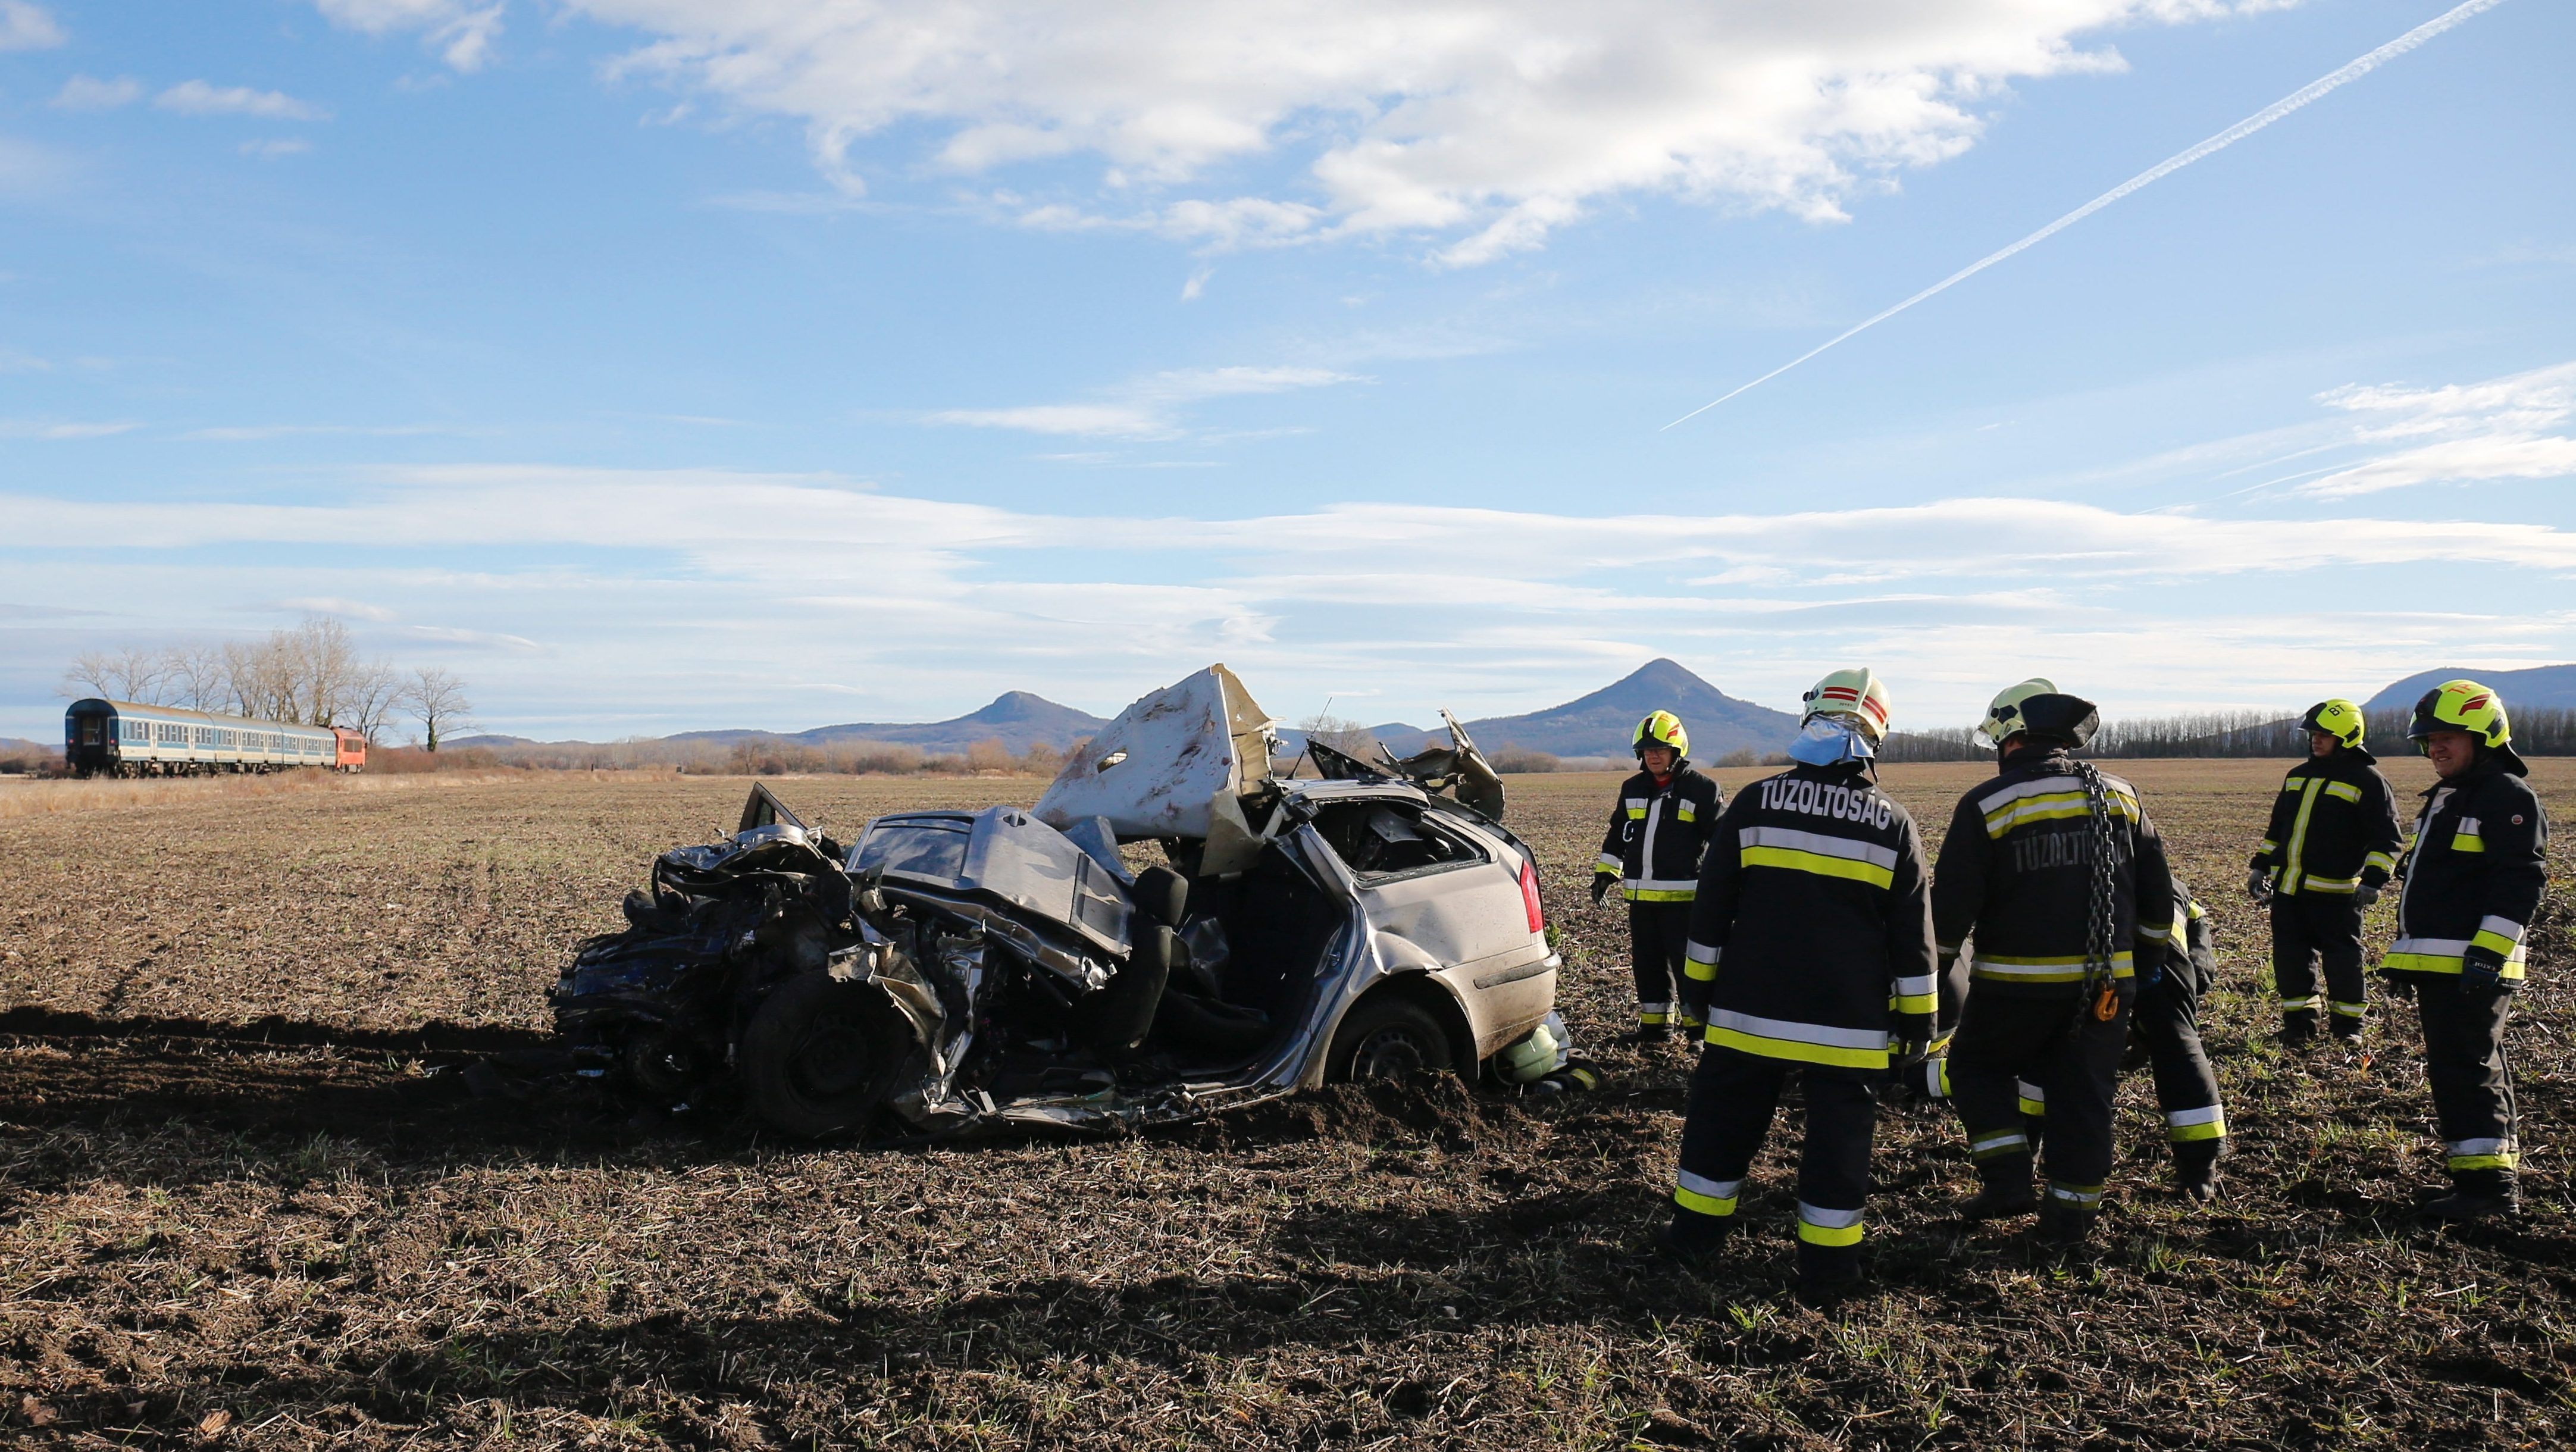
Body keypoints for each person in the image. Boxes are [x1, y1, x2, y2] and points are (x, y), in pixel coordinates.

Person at [1661, 669, 1935, 1305]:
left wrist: (1697, 997)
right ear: (1878, 735)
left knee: (1720, 1127)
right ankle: (1830, 1274)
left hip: (1747, 1014)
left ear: (1810, 718)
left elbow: (1710, 914)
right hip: (1850, 1026)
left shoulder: (1755, 804)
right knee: (1839, 1148)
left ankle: (1693, 1242)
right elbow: (1913, 942)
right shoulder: (1893, 826)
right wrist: (1917, 1028)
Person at [1933, 678, 2174, 1248]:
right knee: (2083, 1096)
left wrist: (1933, 970)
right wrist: (2148, 965)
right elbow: (2156, 895)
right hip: (2105, 988)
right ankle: (2069, 1222)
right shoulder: (2121, 795)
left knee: (1974, 1068)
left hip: (2012, 987)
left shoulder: (1987, 803)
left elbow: (1950, 910)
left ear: (2010, 739)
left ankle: (2007, 1180)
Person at [2381, 680, 2549, 1221]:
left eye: (2448, 737)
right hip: (2444, 966)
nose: (2435, 749)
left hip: (2470, 967)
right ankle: (2476, 1181)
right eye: (2428, 739)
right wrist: (2408, 957)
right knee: (2458, 1070)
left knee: (2469, 1070)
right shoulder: (2453, 797)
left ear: (2485, 736)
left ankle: (2490, 1194)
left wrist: (2487, 954)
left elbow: (2519, 881)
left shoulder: (2505, 795)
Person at [2248, 699, 2404, 1044]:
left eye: (2325, 735)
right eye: (2313, 734)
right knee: (2291, 962)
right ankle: (2299, 1025)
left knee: (2343, 963)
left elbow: (2387, 839)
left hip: (2337, 896)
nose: (2316, 740)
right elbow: (2277, 830)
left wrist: (2375, 881)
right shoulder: (2297, 777)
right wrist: (2259, 866)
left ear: (2348, 736)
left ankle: (2350, 1029)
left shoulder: (2368, 781)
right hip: (2289, 894)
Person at [1593, 710, 1724, 1042]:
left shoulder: (1703, 790)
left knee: (1689, 969)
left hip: (1685, 902)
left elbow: (1724, 842)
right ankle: (1655, 1028)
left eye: (1660, 750)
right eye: (1647, 750)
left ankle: (1699, 1033)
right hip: (1641, 901)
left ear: (1676, 752)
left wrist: (1723, 888)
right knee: (1648, 967)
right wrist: (1606, 873)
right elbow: (1617, 835)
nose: (1652, 755)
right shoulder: (1632, 788)